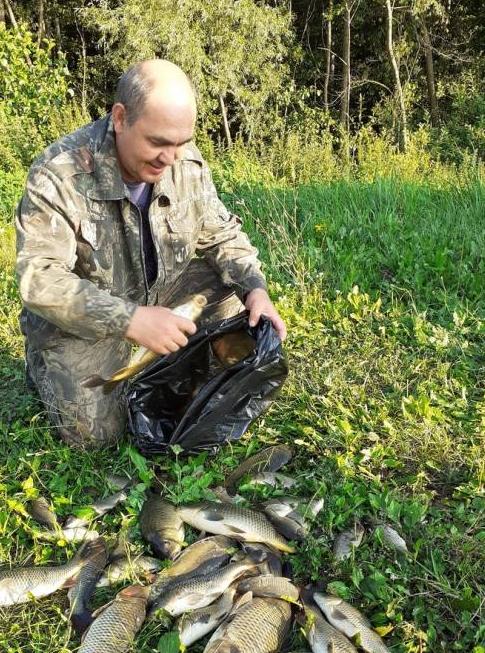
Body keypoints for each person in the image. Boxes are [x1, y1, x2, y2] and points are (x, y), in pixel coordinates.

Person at [15, 59, 286, 446]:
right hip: (90, 319)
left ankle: (167, 360)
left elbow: (221, 234)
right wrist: (130, 320)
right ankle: (47, 371)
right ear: (121, 118)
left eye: (181, 142)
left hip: (162, 292)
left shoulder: (183, 160)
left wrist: (256, 289)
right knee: (96, 436)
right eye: (158, 143)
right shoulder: (60, 173)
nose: (170, 158)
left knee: (232, 299)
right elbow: (39, 279)